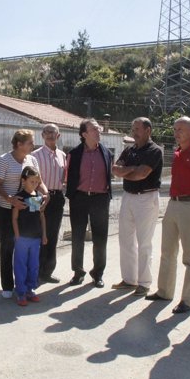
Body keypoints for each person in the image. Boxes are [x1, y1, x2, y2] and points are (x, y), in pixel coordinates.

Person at [145, 116, 190, 314]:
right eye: (175, 129)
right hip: (173, 204)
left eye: (180, 129)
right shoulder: (177, 154)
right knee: (167, 251)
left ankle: (188, 300)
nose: (176, 133)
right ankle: (165, 291)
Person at [111, 117, 163, 297]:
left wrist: (128, 172)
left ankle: (144, 283)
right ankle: (129, 279)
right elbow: (115, 170)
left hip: (146, 199)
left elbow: (142, 174)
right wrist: (131, 169)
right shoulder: (129, 150)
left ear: (148, 130)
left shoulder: (154, 150)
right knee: (125, 239)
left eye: (137, 129)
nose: (134, 132)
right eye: (133, 129)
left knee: (144, 242)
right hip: (128, 197)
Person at [0, 129, 47, 299]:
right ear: (19, 144)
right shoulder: (4, 160)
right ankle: (8, 285)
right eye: (30, 142)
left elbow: (39, 182)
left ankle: (26, 286)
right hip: (7, 208)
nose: (33, 145)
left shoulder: (32, 159)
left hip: (30, 206)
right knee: (8, 247)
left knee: (28, 249)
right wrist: (10, 199)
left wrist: (46, 194)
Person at [66, 118, 113, 288]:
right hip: (79, 198)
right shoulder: (74, 154)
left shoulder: (107, 153)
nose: (98, 131)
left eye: (98, 128)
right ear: (84, 134)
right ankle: (78, 272)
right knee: (77, 237)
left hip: (100, 199)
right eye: (94, 129)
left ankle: (98, 274)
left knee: (100, 239)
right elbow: (68, 176)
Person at [32, 123, 67, 284]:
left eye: (53, 132)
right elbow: (32, 180)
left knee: (52, 235)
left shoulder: (63, 156)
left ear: (58, 135)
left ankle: (47, 272)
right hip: (38, 198)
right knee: (37, 234)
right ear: (42, 135)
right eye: (46, 132)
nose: (49, 135)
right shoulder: (35, 155)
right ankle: (35, 271)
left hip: (57, 198)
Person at [12, 167, 48, 306]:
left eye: (36, 182)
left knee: (34, 265)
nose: (34, 184)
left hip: (35, 238)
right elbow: (14, 218)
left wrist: (43, 234)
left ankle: (30, 289)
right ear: (24, 180)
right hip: (22, 238)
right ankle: (20, 292)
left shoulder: (37, 196)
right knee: (21, 265)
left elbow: (41, 216)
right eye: (31, 181)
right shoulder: (19, 197)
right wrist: (17, 235)